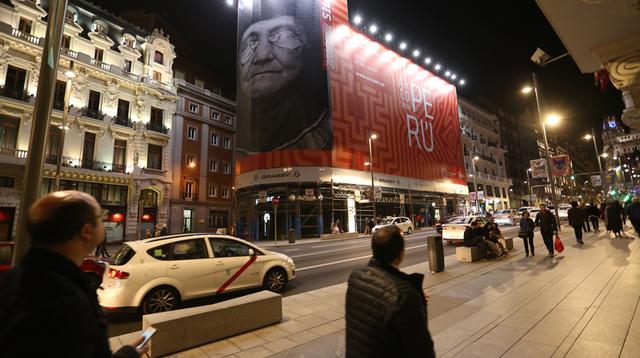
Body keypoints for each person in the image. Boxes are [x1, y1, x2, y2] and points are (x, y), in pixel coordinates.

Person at [0, 191, 147, 357]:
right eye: (100, 216)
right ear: (86, 231)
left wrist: (126, 353)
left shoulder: (12, 280)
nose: (103, 220)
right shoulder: (65, 301)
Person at [236, 0, 331, 154]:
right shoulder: (240, 141)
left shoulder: (324, 132)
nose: (261, 56)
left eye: (282, 37)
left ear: (306, 51)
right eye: (250, 44)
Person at [345, 226, 435, 357]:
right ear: (400, 254)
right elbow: (422, 350)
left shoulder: (356, 277)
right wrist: (416, 301)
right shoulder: (405, 296)